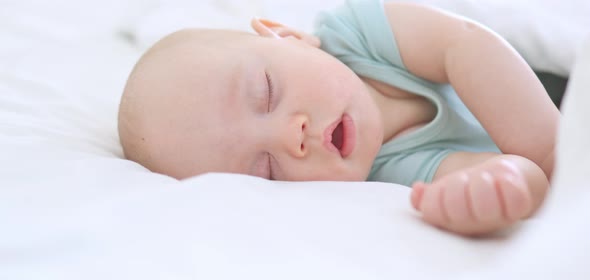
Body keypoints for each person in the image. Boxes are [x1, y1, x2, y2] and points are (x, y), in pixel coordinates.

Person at [118, 0, 560, 236]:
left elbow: (465, 44)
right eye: (268, 170)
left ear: (287, 36)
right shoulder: (388, 177)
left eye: (267, 92)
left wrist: (547, 147)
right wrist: (499, 186)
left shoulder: (358, 33)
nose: (294, 134)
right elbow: (537, 182)